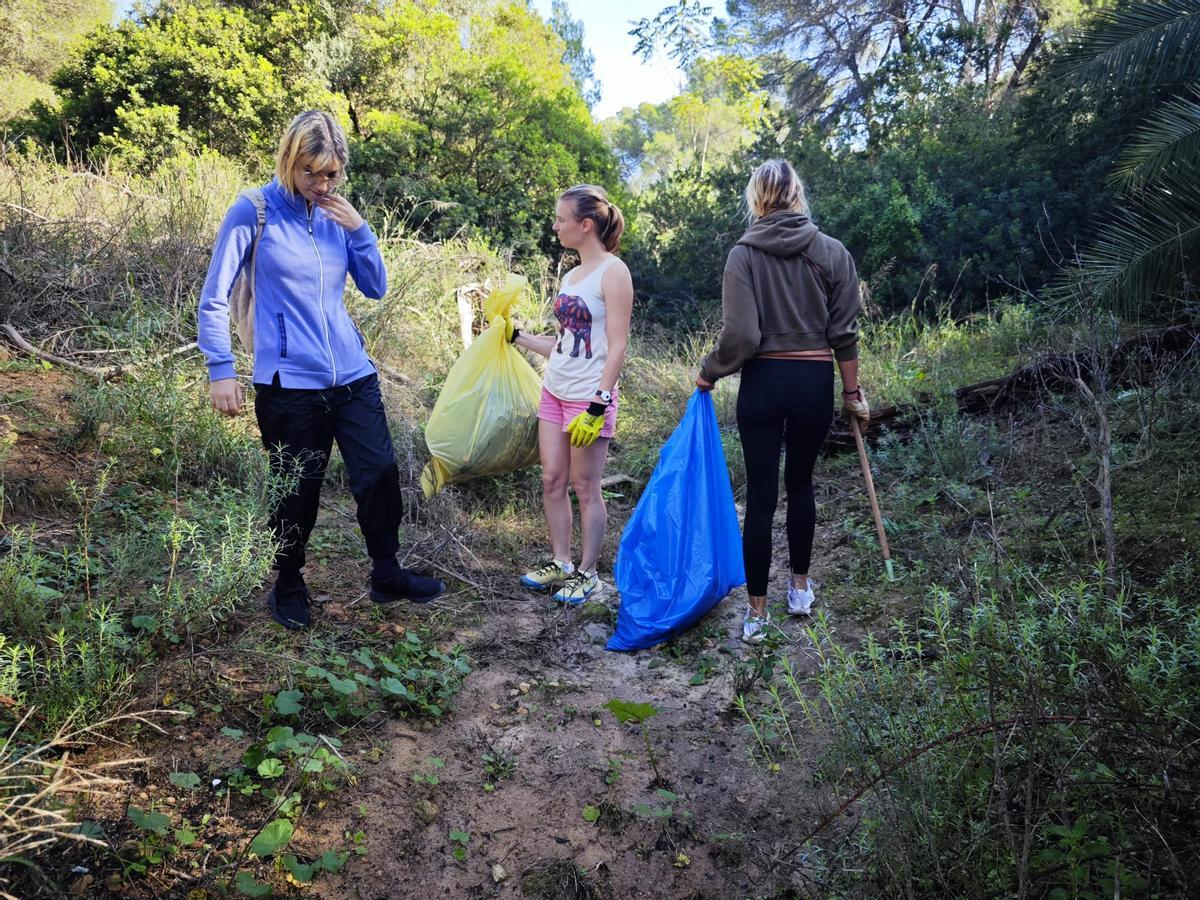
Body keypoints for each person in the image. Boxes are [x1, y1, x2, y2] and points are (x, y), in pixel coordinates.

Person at [197, 110, 445, 631]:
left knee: (378, 473)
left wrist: (360, 229)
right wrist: (222, 368)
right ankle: (287, 585)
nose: (321, 184)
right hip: (289, 386)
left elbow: (374, 286)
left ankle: (386, 574)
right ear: (290, 161)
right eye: (311, 173)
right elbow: (213, 297)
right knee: (296, 490)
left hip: (353, 377)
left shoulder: (338, 215)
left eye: (331, 174)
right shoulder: (254, 210)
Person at [695, 159, 869, 644]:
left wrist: (709, 371)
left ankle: (756, 615)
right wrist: (852, 394)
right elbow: (845, 335)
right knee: (802, 484)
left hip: (764, 382)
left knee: (761, 498)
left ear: (757, 198)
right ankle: (799, 591)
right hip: (814, 380)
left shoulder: (743, 254)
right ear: (797, 194)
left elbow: (742, 337)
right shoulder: (833, 252)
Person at [506, 185, 634, 605]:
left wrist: (600, 403)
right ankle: (561, 564)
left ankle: (588, 572)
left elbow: (617, 345)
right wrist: (518, 336)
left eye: (561, 219)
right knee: (552, 480)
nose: (555, 226)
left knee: (586, 486)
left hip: (588, 399)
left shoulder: (614, 272)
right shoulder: (571, 276)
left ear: (586, 225)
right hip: (555, 392)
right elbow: (564, 343)